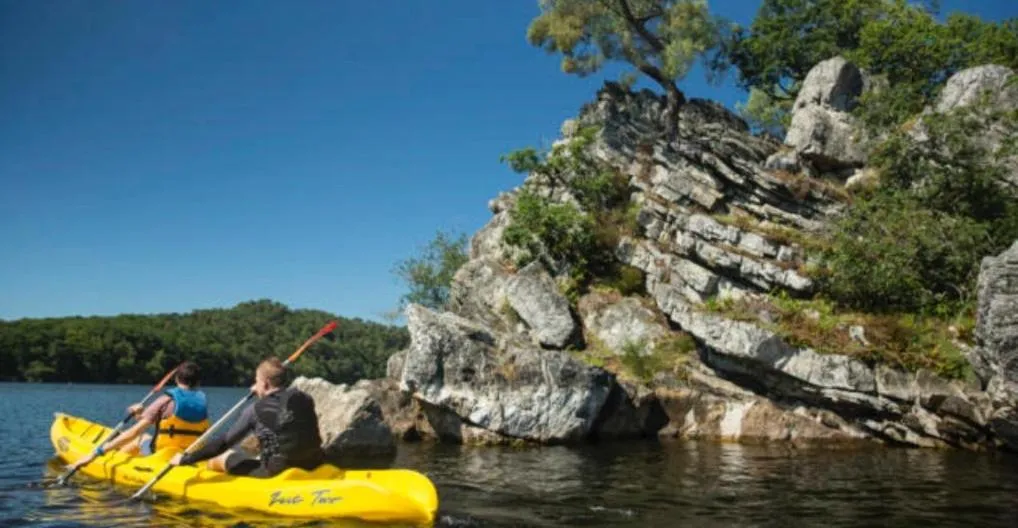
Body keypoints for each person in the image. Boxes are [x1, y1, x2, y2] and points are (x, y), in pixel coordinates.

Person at [170, 356, 324, 478]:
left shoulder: (254, 410)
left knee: (223, 457)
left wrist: (186, 459)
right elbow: (280, 406)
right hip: (312, 464)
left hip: (276, 472)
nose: (254, 384)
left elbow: (224, 443)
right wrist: (262, 393)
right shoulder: (305, 398)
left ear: (264, 384)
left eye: (256, 380)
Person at [67, 361, 209, 470]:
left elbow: (133, 432)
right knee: (146, 436)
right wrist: (141, 414)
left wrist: (95, 453)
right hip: (189, 454)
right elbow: (174, 423)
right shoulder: (202, 402)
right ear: (199, 382)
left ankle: (115, 463)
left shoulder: (165, 401)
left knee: (138, 439)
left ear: (177, 379)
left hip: (164, 454)